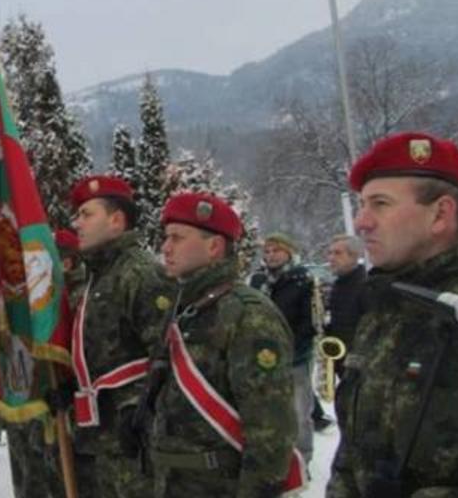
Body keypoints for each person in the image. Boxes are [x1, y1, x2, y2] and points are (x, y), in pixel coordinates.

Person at [328, 132, 458, 496]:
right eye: (362, 205)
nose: (361, 222)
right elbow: (351, 452)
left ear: (440, 214)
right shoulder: (383, 309)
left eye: (380, 204)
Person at [146, 192, 300, 497]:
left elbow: (270, 434)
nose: (165, 247)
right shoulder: (185, 309)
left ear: (214, 246)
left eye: (177, 238)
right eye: (166, 238)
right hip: (173, 482)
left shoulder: (249, 315)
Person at [53, 175, 169, 497]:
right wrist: (71, 385)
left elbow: (167, 355)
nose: (77, 223)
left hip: (132, 443)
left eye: (87, 214)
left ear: (116, 221)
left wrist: (144, 412)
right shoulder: (98, 276)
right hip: (99, 437)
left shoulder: (139, 273)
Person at [6, 229, 80, 498]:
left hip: (69, 412)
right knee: (34, 478)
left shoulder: (77, 297)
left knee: (65, 480)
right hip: (34, 405)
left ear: (67, 262)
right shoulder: (33, 304)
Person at [249, 232, 322, 450]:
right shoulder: (258, 280)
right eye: (267, 251)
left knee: (299, 413)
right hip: (262, 356)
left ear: (289, 253)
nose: (270, 256)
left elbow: (309, 323)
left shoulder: (303, 279)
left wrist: (290, 349)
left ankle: (302, 457)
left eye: (276, 251)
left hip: (295, 356)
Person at [324, 235, 369, 379]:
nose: (331, 258)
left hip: (358, 369)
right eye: (330, 253)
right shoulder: (338, 285)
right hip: (340, 363)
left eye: (337, 253)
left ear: (354, 256)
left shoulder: (365, 286)